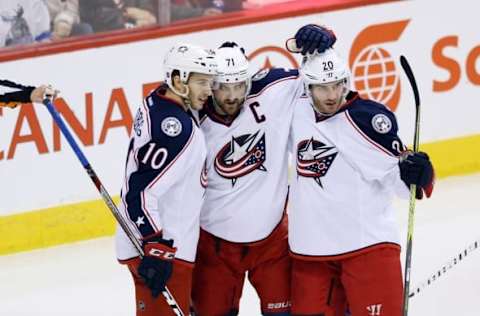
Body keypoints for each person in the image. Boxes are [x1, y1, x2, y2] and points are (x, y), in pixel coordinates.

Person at [191, 25, 336, 316]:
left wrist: (323, 42)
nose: (232, 96)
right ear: (211, 85)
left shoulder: (273, 91)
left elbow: (323, 77)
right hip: (215, 248)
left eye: (239, 86)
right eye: (224, 88)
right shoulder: (192, 116)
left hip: (272, 243)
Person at [288, 48, 435, 316]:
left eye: (337, 85)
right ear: (307, 88)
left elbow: (402, 182)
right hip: (310, 253)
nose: (331, 95)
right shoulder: (295, 113)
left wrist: (420, 173)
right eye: (322, 88)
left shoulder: (366, 119)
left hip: (367, 249)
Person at [115, 43, 216, 315]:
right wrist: (156, 247)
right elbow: (140, 192)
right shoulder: (176, 131)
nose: (209, 90)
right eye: (202, 82)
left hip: (160, 243)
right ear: (176, 80)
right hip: (162, 247)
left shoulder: (159, 99)